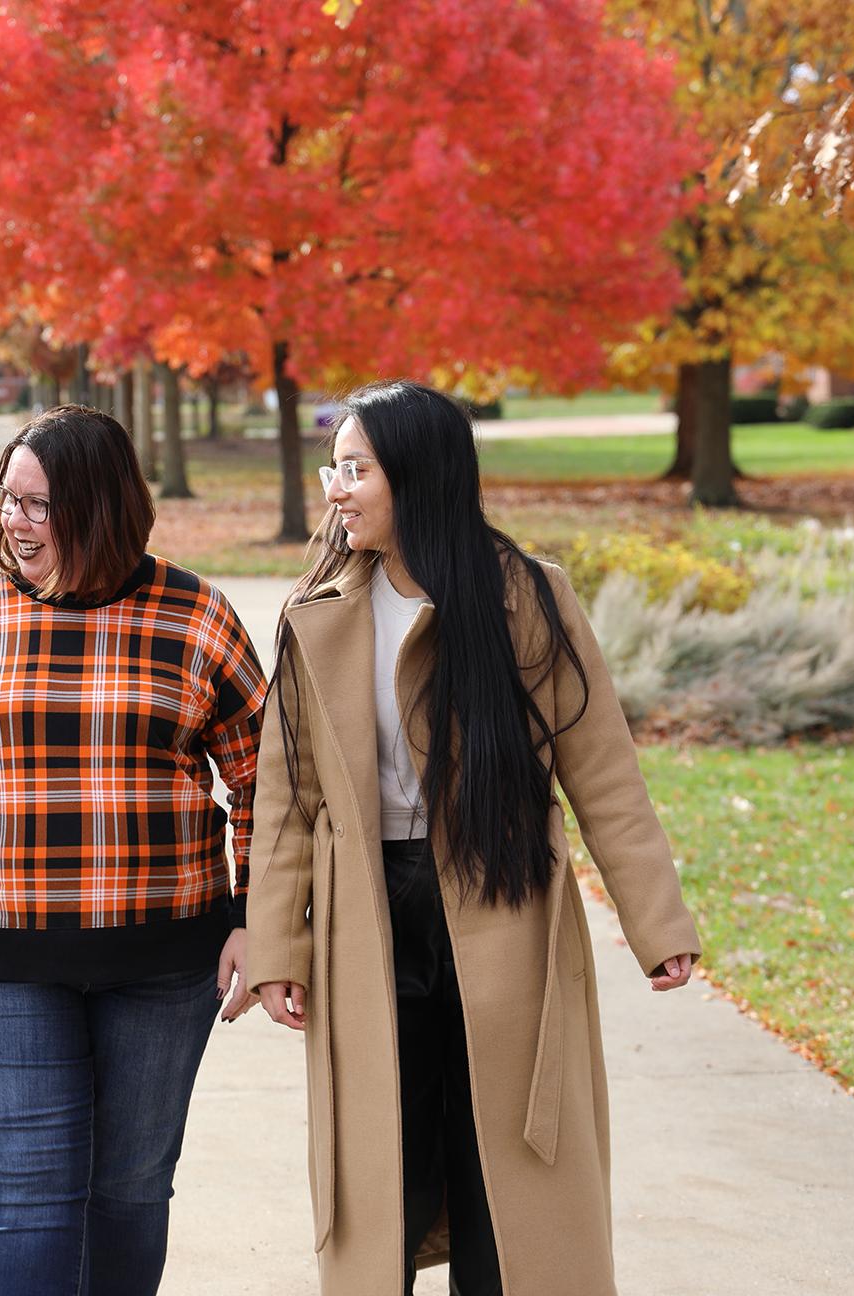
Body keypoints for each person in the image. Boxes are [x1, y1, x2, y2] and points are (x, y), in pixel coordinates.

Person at [245, 380, 701, 1296]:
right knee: (386, 1160)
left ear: (417, 476)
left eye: (355, 469)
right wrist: (275, 949)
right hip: (362, 914)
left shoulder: (527, 598)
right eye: (335, 469)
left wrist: (660, 928)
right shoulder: (317, 609)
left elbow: (602, 770)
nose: (336, 489)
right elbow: (285, 799)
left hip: (501, 906)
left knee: (504, 1165)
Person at [0, 405, 268, 1296]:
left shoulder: (195, 612)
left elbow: (263, 782)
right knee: (29, 1200)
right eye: (8, 499)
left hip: (165, 956)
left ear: (103, 507)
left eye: (41, 505)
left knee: (129, 1191)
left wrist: (253, 918)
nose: (15, 522)